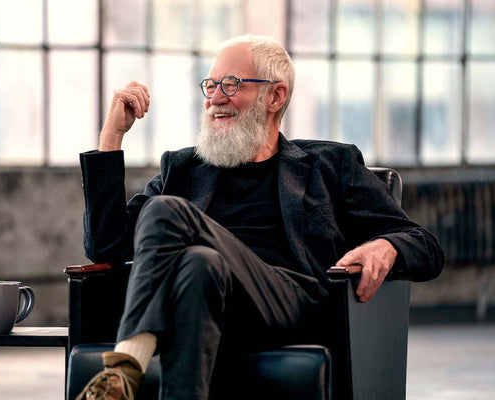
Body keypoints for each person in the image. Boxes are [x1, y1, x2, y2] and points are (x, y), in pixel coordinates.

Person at [77, 35, 444, 400]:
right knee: (198, 262)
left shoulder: (331, 165)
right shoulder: (184, 168)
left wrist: (387, 246)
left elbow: (424, 244)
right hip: (208, 297)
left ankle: (124, 367)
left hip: (290, 301)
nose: (215, 98)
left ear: (276, 96)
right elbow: (107, 245)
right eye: (210, 85)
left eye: (231, 84)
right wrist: (111, 139)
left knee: (163, 211)